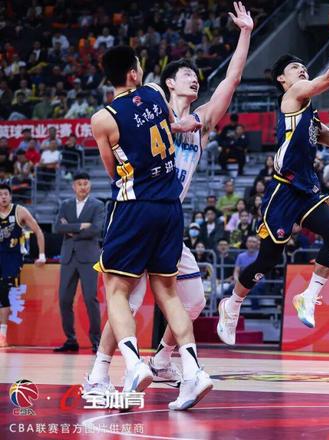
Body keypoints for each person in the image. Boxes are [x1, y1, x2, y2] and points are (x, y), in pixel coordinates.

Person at [84, 3, 253, 409]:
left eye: (197, 75)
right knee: (137, 297)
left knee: (184, 299)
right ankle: (101, 372)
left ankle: (159, 360)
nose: (195, 78)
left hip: (156, 212)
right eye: (186, 74)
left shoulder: (199, 119)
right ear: (167, 83)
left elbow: (231, 78)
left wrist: (245, 33)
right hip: (159, 211)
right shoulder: (154, 103)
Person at [216, 19, 329, 342]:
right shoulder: (292, 96)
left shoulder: (310, 114)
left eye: (304, 67)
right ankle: (232, 304)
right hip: (283, 188)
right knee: (267, 259)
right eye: (295, 67)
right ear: (282, 79)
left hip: (306, 188)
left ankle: (308, 296)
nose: (302, 70)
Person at [89, 45, 209, 410]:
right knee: (169, 294)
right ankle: (194, 371)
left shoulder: (103, 119)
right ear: (134, 73)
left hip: (133, 207)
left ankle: (133, 365)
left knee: (116, 291)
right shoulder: (156, 93)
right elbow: (173, 127)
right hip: (170, 207)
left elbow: (112, 170)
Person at [52, 172, 105, 353]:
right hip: (68, 257)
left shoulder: (98, 205)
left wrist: (71, 229)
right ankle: (70, 339)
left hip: (89, 257)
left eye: (85, 183)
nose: (83, 186)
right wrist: (81, 226)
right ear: (73, 186)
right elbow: (57, 227)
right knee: (64, 300)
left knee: (91, 299)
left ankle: (96, 340)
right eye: (79, 184)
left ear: (90, 185)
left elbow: (96, 229)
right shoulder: (65, 204)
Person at [0, 184, 46, 348]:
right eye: (0, 194)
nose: (3, 197)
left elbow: (38, 231)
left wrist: (42, 255)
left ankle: (2, 335)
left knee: (3, 291)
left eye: (5, 194)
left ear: (10, 196)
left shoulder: (19, 211)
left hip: (12, 257)